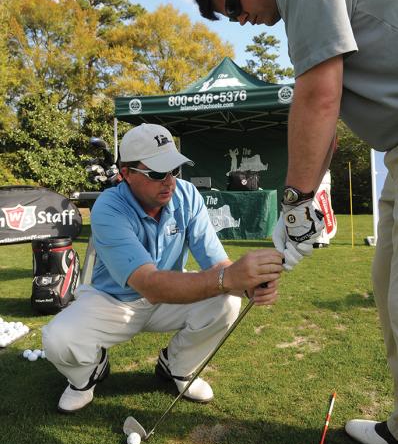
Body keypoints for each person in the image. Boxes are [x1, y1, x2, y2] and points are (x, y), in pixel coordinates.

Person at [191, 0, 398, 444]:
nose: (240, 22)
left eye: (231, 6)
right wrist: (298, 215)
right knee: (385, 286)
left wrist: (297, 202)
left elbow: (318, 94)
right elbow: (323, 122)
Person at [42, 123, 283, 413]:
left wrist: (246, 284)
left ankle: (178, 366)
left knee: (228, 300)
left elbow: (217, 263)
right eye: (157, 173)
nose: (169, 181)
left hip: (169, 297)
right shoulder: (108, 207)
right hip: (112, 302)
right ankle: (88, 374)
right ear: (126, 174)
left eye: (175, 170)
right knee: (58, 338)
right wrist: (229, 277)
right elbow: (149, 284)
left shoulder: (187, 195)